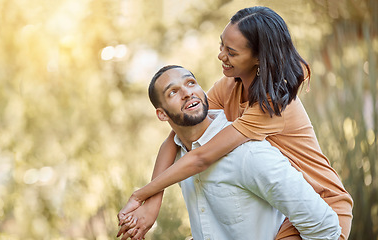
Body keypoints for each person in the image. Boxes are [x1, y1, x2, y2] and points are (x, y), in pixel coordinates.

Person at [117, 6, 353, 240]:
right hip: (284, 207)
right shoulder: (230, 85)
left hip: (322, 205)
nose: (221, 55)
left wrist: (140, 196)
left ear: (258, 57)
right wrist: (153, 203)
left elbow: (201, 157)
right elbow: (177, 135)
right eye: (222, 45)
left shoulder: (272, 105)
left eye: (231, 52)